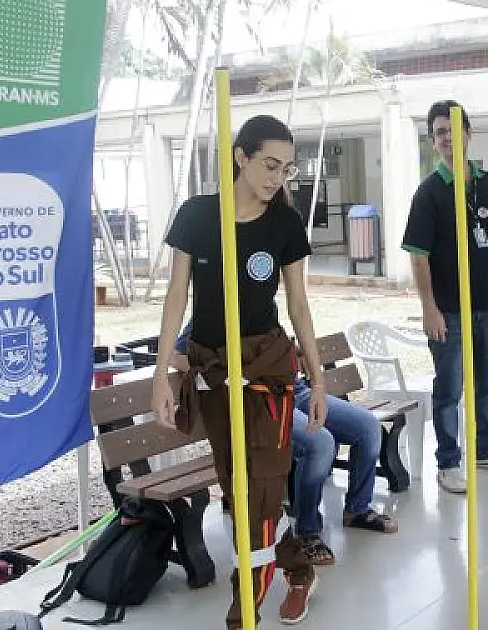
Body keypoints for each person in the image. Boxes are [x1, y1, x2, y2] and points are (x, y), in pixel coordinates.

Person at [151, 114, 322, 628]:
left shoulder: (285, 225)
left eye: (287, 170)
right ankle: (294, 561)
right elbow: (177, 296)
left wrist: (319, 379)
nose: (278, 178)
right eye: (270, 165)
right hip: (212, 368)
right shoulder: (197, 217)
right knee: (236, 486)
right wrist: (162, 372)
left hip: (268, 367)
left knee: (264, 485)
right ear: (240, 157)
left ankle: (243, 608)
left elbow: (298, 304)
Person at [172, 321, 399, 567]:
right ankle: (307, 530)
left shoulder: (262, 301)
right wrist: (228, 369)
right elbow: (177, 358)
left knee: (368, 428)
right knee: (320, 442)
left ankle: (357, 509)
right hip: (259, 400)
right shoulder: (210, 311)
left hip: (295, 389)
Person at [402, 100, 488, 494]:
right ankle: (448, 462)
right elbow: (418, 258)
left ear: (468, 133)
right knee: (450, 388)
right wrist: (429, 310)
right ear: (432, 140)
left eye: (453, 129)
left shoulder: (487, 184)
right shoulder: (429, 192)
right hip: (448, 312)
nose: (447, 138)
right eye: (439, 132)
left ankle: (485, 450)